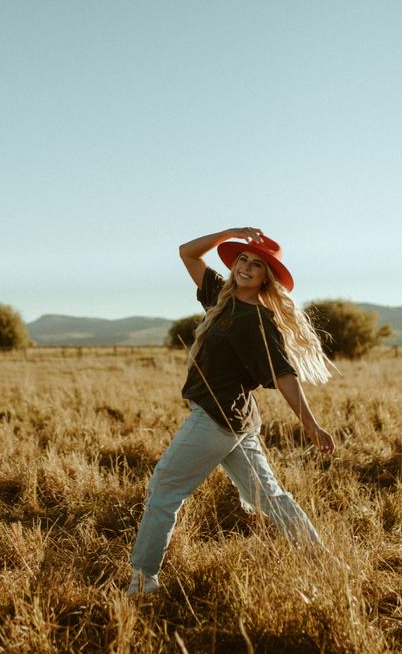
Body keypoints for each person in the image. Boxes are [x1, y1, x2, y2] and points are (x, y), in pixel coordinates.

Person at [128, 226, 336, 595]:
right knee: (271, 498)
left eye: (257, 265)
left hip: (215, 420)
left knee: (162, 491)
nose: (247, 268)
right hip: (238, 422)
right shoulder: (221, 297)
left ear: (266, 276)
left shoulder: (257, 321)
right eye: (243, 258)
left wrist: (312, 425)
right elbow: (187, 253)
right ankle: (322, 561)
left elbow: (284, 375)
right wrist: (231, 232)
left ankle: (143, 582)